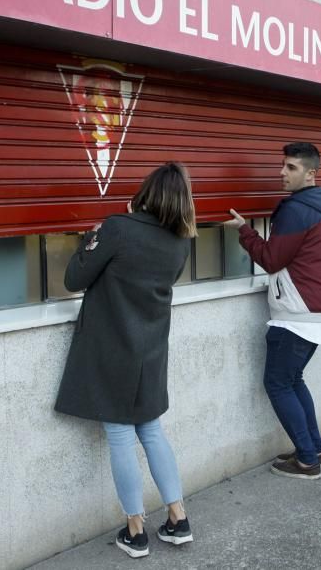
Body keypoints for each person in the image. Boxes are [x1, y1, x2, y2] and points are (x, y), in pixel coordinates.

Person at [55, 162, 198, 559]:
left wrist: (92, 238)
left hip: (112, 348)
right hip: (150, 348)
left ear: (147, 192)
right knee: (151, 429)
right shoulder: (181, 240)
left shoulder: (117, 228)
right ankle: (177, 518)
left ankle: (135, 531)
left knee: (120, 435)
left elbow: (73, 279)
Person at [223, 142, 321, 480]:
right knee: (293, 379)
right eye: (283, 165)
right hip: (317, 312)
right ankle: (314, 448)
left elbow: (272, 259)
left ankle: (307, 460)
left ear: (310, 173)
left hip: (297, 313)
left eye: (290, 167)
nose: (281, 172)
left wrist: (244, 231)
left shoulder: (297, 209)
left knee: (277, 383)